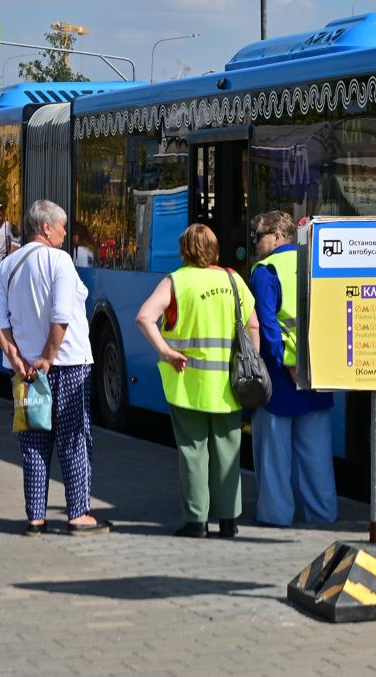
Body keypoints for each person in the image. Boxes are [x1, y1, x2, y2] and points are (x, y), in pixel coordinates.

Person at [0, 199, 110, 537]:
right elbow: (62, 316)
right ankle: (78, 514)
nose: (65, 232)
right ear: (46, 227)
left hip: (24, 372)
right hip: (67, 365)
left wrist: (15, 356)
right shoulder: (60, 261)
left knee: (33, 441)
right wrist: (48, 356)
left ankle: (36, 518)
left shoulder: (9, 264)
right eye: (62, 226)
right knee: (74, 437)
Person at [135, 223, 259, 538]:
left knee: (193, 452)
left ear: (184, 250)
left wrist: (165, 351)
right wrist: (251, 361)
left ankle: (196, 522)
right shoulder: (234, 280)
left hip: (186, 383)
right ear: (214, 248)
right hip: (230, 387)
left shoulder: (176, 281)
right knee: (228, 452)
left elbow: (144, 317)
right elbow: (253, 326)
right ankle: (229, 521)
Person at [249, 210, 337, 528]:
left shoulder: (266, 270)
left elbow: (267, 324)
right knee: (316, 454)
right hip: (319, 370)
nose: (255, 243)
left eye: (258, 236)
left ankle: (276, 516)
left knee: (274, 455)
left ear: (278, 236)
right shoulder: (316, 264)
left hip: (280, 376)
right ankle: (322, 513)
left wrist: (286, 363)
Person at [0, 203, 19, 272]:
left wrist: (8, 260)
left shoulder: (9, 226)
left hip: (3, 263)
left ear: (3, 215)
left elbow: (16, 244)